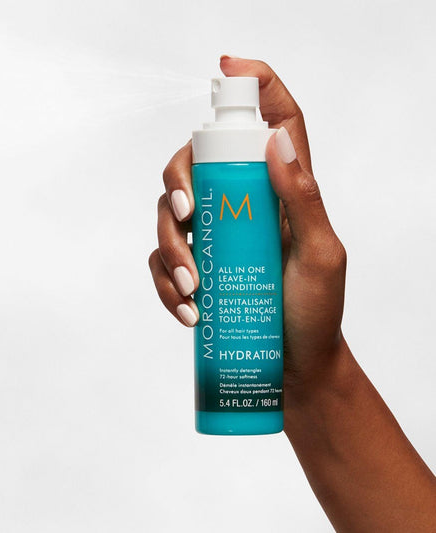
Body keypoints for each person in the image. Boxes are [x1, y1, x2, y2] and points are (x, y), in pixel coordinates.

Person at [148, 56, 436, 532]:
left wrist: (313, 373)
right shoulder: (221, 171)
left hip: (280, 368)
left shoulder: (255, 169)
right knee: (205, 256)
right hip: (254, 375)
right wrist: (310, 379)